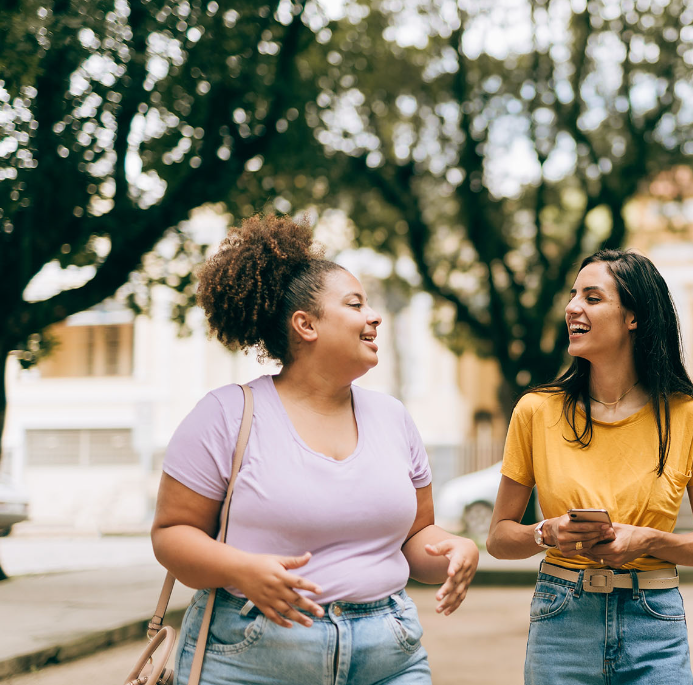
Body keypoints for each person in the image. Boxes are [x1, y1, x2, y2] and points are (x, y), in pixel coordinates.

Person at [151, 215, 478, 685]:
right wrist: (242, 570)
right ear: (306, 325)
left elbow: (415, 537)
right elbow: (171, 534)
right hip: (251, 658)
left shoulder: (393, 418)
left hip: (389, 658)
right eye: (355, 303)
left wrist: (454, 550)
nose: (374, 316)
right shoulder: (226, 414)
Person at [486, 248, 693, 685]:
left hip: (655, 621)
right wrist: (547, 532)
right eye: (573, 295)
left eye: (592, 298)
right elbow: (499, 538)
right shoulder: (536, 411)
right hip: (561, 618)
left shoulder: (690, 416)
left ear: (632, 316)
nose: (572, 307)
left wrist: (649, 540)